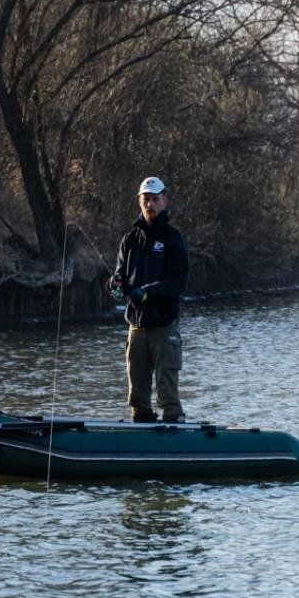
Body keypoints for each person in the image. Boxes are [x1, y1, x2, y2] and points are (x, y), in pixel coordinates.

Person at [108, 175, 190, 423]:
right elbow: (118, 276)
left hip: (164, 330)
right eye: (146, 200)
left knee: (168, 398)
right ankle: (141, 441)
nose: (150, 205)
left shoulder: (173, 238)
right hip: (136, 329)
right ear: (139, 202)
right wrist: (114, 286)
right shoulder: (130, 240)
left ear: (165, 200)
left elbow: (179, 282)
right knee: (138, 399)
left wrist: (147, 291)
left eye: (155, 199)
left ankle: (177, 441)